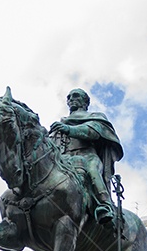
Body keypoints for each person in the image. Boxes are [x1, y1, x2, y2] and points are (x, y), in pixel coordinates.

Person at [50, 88, 123, 228]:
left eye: (75, 96)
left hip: (87, 156)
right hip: (63, 159)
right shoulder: (61, 123)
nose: (71, 99)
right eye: (69, 97)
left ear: (85, 102)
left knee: (92, 171)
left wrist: (68, 129)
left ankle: (105, 205)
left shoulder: (95, 117)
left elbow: (93, 132)